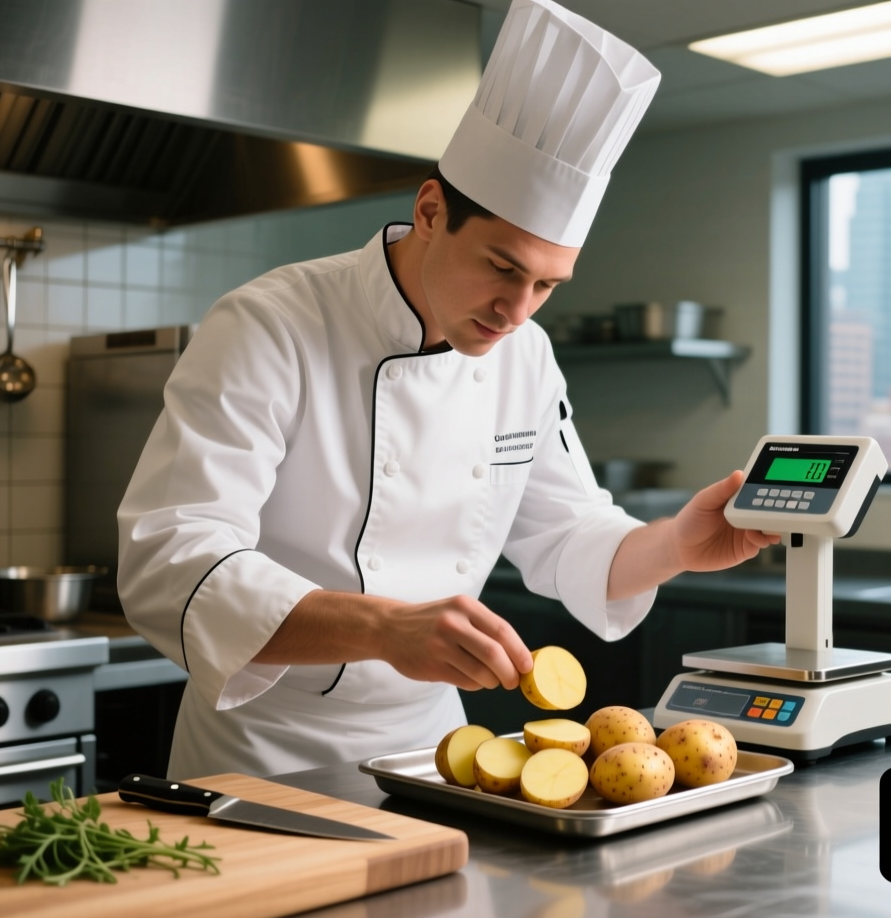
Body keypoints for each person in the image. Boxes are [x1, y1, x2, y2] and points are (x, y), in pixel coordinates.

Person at [117, 0, 777, 779]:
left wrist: (675, 546)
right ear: (431, 211)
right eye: (502, 267)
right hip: (260, 752)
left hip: (436, 756)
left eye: (546, 284)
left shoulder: (523, 355)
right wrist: (380, 629)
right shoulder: (271, 324)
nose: (517, 310)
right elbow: (169, 559)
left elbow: (570, 537)